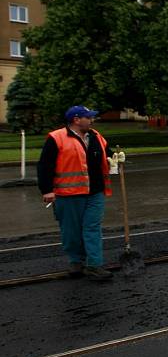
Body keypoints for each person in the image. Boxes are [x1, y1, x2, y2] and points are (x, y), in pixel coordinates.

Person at [37, 106, 115, 281]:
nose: (92, 120)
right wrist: (47, 190)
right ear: (76, 119)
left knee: (92, 228)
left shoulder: (96, 137)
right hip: (68, 193)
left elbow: (108, 155)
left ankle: (94, 265)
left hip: (95, 192)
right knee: (71, 231)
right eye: (89, 117)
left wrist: (116, 158)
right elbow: (45, 166)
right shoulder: (57, 138)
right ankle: (76, 261)